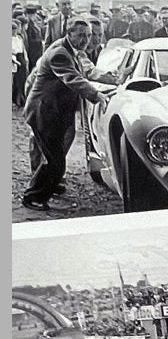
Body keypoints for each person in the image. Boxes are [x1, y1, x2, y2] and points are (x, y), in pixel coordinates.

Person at [21, 15, 117, 212]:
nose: (86, 40)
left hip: (54, 112)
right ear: (69, 34)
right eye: (81, 35)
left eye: (88, 35)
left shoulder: (71, 50)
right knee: (54, 161)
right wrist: (97, 95)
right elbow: (73, 79)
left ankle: (48, 187)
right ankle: (32, 197)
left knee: (55, 159)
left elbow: (86, 74)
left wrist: (112, 81)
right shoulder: (60, 53)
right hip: (44, 112)